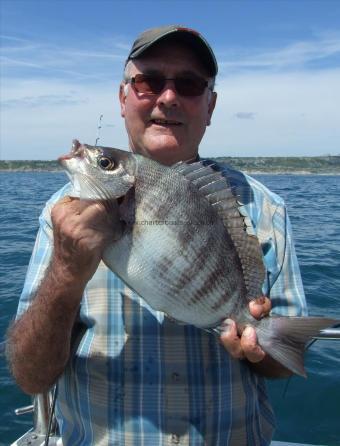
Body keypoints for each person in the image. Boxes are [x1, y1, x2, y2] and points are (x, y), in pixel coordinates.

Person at [7, 25, 307, 445]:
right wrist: (66, 271)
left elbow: (284, 361)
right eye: (148, 82)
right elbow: (29, 375)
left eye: (188, 84)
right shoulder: (62, 215)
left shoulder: (267, 209)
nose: (168, 98)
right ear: (123, 97)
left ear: (210, 105)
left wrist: (260, 348)